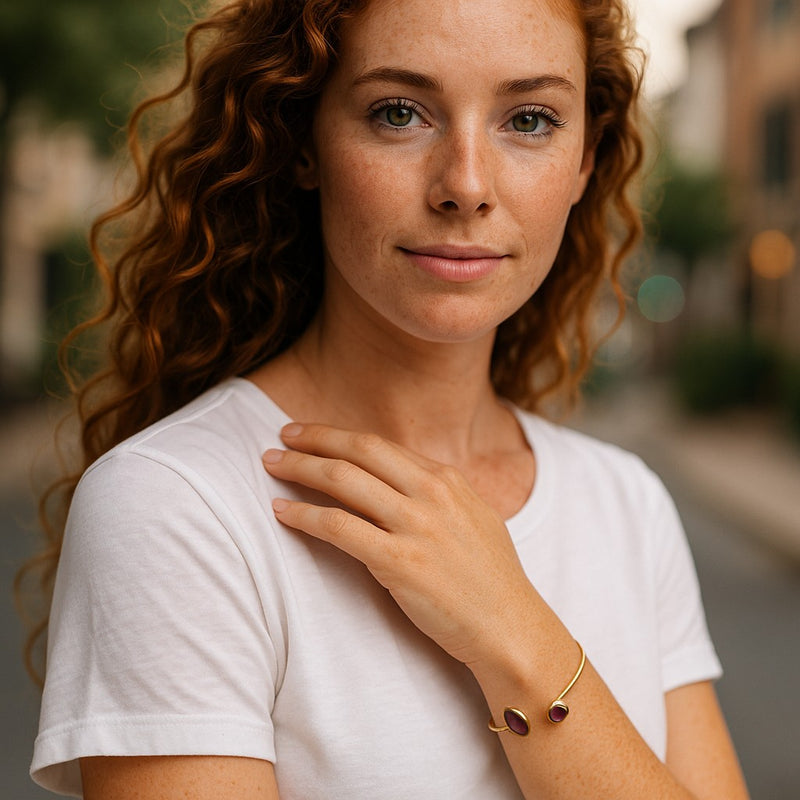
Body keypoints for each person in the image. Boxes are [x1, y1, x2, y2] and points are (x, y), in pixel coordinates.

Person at [26, 0, 749, 797]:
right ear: (304, 139)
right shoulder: (177, 505)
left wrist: (515, 631)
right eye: (398, 112)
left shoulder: (628, 505)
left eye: (532, 120)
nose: (466, 185)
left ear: (585, 159)